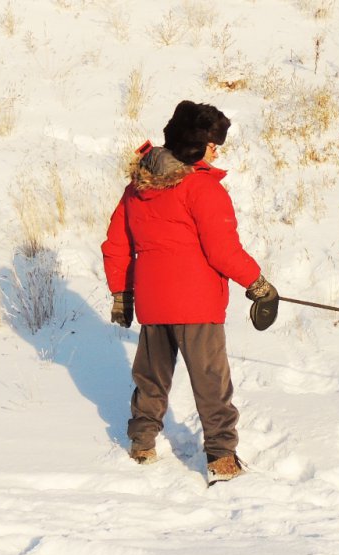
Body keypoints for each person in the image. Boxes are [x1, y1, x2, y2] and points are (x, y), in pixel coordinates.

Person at [101, 100, 279, 483]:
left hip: (153, 305)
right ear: (197, 145)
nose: (218, 151)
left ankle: (142, 444)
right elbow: (223, 251)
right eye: (214, 144)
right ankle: (221, 458)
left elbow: (116, 245)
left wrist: (122, 294)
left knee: (151, 377)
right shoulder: (202, 188)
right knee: (211, 382)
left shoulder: (136, 190)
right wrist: (258, 284)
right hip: (197, 305)